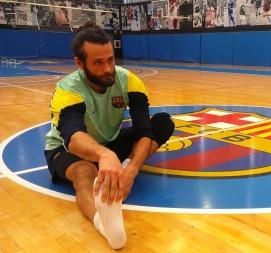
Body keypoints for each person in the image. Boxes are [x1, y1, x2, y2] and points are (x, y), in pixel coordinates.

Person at [43, 23, 174, 249]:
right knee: (85, 173)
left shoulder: (129, 80)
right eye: (98, 62)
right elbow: (73, 137)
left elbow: (144, 130)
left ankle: (121, 169)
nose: (107, 68)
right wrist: (104, 155)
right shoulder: (68, 90)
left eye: (110, 60)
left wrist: (130, 170)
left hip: (109, 144)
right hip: (66, 149)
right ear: (79, 63)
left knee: (162, 122)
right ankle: (103, 223)